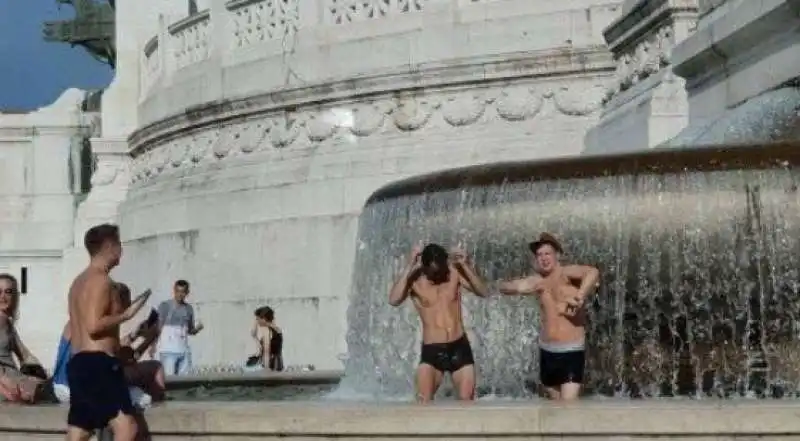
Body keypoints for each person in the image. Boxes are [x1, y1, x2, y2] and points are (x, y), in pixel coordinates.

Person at [65, 224, 152, 441]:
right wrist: (127, 314)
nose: (121, 251)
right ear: (110, 247)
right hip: (98, 364)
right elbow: (94, 326)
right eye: (119, 245)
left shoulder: (78, 282)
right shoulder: (101, 280)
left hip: (79, 362)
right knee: (127, 428)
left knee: (80, 431)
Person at [498, 232, 600, 401]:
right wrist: (516, 288)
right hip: (547, 351)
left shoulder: (566, 273)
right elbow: (505, 287)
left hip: (571, 349)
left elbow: (593, 272)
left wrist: (580, 295)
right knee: (554, 408)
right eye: (539, 255)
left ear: (556, 255)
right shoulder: (537, 281)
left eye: (547, 254)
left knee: (568, 406)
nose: (543, 258)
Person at [388, 242, 489, 403]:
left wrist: (465, 265)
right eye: (433, 273)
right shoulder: (414, 280)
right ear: (424, 267)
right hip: (432, 351)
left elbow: (483, 291)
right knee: (424, 401)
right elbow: (393, 300)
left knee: (466, 401)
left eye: (440, 272)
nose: (438, 277)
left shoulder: (453, 273)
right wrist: (409, 265)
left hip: (459, 347)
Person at [53, 282, 165, 406]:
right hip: (77, 389)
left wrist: (135, 334)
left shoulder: (81, 319)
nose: (123, 311)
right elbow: (122, 357)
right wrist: (147, 341)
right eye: (125, 305)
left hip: (61, 385)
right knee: (143, 398)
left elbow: (107, 347)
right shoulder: (98, 323)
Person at [0, 273, 49, 403]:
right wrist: (5, 382)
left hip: (13, 378)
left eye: (8, 292)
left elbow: (25, 354)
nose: (3, 297)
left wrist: (41, 373)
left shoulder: (7, 323)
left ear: (14, 296)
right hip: (7, 382)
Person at [155, 279, 204, 376]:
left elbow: (190, 330)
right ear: (174, 290)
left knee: (184, 383)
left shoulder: (189, 309)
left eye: (183, 292)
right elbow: (158, 327)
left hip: (184, 352)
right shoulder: (165, 306)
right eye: (177, 291)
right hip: (168, 351)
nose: (180, 295)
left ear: (187, 293)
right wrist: (153, 345)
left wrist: (198, 329)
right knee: (169, 382)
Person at [249, 306, 284, 371]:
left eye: (258, 319)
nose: (257, 321)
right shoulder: (276, 329)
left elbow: (266, 352)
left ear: (263, 318)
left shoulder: (267, 332)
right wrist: (255, 337)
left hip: (271, 368)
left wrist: (266, 370)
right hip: (278, 365)